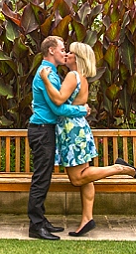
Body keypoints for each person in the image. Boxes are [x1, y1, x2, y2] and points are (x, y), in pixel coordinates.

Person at [39, 41, 136, 237]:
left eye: (70, 52)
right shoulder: (82, 78)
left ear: (77, 58)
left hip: (72, 132)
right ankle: (87, 219)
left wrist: (45, 80)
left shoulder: (72, 76)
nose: (66, 54)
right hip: (79, 130)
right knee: (86, 176)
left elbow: (59, 100)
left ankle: (119, 168)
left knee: (77, 178)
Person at [28, 36, 90, 240]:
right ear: (52, 50)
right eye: (62, 49)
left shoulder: (51, 73)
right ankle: (36, 226)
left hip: (45, 129)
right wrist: (81, 110)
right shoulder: (47, 74)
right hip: (42, 129)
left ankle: (41, 220)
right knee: (41, 178)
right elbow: (57, 107)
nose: (64, 53)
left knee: (44, 177)